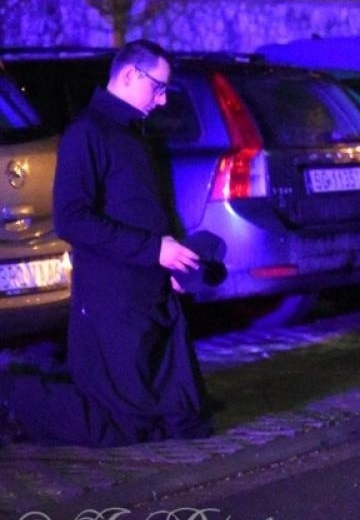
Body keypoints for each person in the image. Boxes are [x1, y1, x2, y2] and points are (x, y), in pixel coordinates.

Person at [0, 41, 211, 446]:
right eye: (159, 88)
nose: (163, 100)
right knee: (120, 426)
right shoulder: (87, 134)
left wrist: (172, 262)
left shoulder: (136, 132)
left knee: (183, 421)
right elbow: (73, 219)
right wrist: (153, 250)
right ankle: (16, 396)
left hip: (149, 292)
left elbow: (150, 206)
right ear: (130, 75)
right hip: (111, 297)